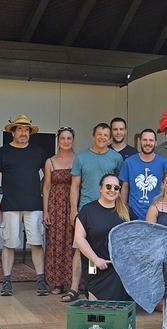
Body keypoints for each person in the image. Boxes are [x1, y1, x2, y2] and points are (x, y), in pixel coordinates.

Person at [0, 114, 50, 297]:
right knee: (9, 244)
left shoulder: (38, 151)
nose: (24, 133)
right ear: (13, 132)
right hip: (9, 206)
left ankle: (40, 280)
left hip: (34, 205)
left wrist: (38, 188)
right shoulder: (3, 152)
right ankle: (7, 281)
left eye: (26, 130)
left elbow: (48, 175)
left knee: (37, 243)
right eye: (20, 129)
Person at [65, 122, 122, 302]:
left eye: (106, 135)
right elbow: (74, 186)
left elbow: (119, 185)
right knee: (79, 248)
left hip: (109, 210)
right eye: (99, 134)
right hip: (86, 209)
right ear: (93, 136)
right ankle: (75, 287)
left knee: (106, 248)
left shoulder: (116, 158)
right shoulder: (81, 157)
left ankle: (97, 288)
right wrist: (74, 210)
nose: (103, 137)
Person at [75, 174, 136, 300]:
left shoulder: (126, 210)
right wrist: (96, 259)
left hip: (119, 269)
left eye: (116, 188)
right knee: (97, 308)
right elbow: (79, 239)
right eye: (108, 186)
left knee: (117, 309)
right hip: (95, 266)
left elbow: (135, 237)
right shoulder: (87, 210)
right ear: (100, 188)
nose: (112, 190)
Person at [42, 126, 76, 295]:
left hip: (72, 204)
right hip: (55, 205)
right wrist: (45, 211)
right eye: (63, 138)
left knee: (72, 242)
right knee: (56, 242)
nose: (66, 141)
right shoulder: (50, 161)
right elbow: (46, 187)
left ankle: (73, 282)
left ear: (73, 141)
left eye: (69, 138)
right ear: (58, 140)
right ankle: (57, 282)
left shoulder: (79, 160)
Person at [119, 128, 167, 219]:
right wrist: (123, 211)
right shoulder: (129, 162)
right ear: (140, 141)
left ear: (155, 142)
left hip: (157, 215)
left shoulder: (163, 163)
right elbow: (125, 188)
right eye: (145, 140)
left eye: (151, 140)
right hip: (134, 215)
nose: (148, 143)